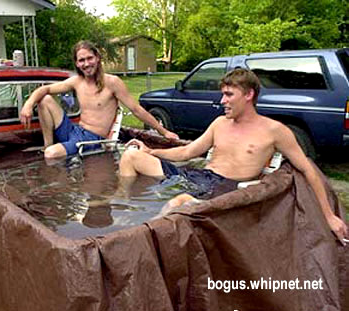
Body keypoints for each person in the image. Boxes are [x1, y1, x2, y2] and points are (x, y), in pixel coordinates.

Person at [119, 68, 348, 243]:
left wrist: (329, 216)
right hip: (199, 176)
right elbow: (188, 151)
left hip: (228, 187)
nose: (222, 101)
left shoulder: (274, 131)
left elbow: (308, 169)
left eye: (229, 95)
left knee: (177, 202)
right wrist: (151, 151)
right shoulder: (220, 123)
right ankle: (124, 209)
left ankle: (137, 241)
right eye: (223, 95)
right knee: (131, 155)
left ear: (249, 95)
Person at [20, 40, 179, 158]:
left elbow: (136, 110)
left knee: (51, 154)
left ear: (97, 58)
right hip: (74, 131)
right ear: (76, 63)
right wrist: (28, 105)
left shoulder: (112, 83)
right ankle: (47, 144)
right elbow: (45, 89)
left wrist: (164, 132)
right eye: (81, 60)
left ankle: (51, 150)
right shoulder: (77, 81)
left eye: (89, 58)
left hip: (92, 139)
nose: (86, 64)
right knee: (44, 99)